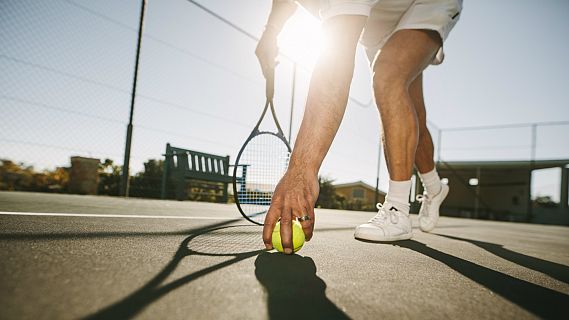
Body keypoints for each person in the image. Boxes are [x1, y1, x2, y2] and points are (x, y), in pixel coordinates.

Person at [256, 0, 462, 253]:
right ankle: (434, 187)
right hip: (376, 26)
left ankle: (398, 209)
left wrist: (301, 169)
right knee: (411, 112)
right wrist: (271, 31)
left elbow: (334, 70)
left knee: (387, 77)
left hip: (425, 3)